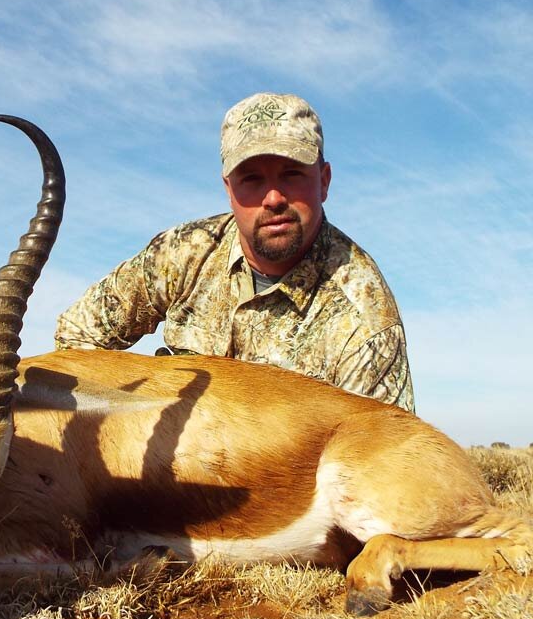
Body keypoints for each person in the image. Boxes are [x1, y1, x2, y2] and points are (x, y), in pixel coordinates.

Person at [55, 92, 414, 412]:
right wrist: (131, 422)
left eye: (291, 174)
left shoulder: (365, 316)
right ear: (229, 189)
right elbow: (75, 340)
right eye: (252, 180)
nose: (273, 199)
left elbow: (382, 453)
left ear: (324, 181)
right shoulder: (182, 253)